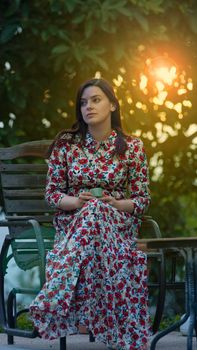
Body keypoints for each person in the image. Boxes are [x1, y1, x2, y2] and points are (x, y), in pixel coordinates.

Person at [29, 78, 151, 349]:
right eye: (83, 103)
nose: (88, 107)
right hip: (74, 224)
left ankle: (54, 296)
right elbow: (53, 195)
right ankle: (120, 331)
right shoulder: (66, 145)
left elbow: (142, 199)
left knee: (99, 209)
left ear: (113, 105)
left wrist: (117, 204)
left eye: (96, 100)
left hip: (117, 225)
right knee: (93, 209)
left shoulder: (132, 147)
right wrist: (77, 202)